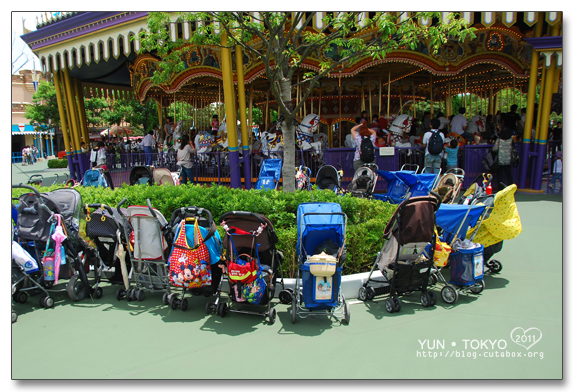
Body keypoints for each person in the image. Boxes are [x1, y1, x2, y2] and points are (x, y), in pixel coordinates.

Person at [492, 124, 514, 191]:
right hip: (508, 159)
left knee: (499, 175)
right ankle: (511, 187)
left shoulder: (499, 140)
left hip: (500, 159)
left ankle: (500, 188)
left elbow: (494, 149)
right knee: (509, 174)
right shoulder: (511, 140)